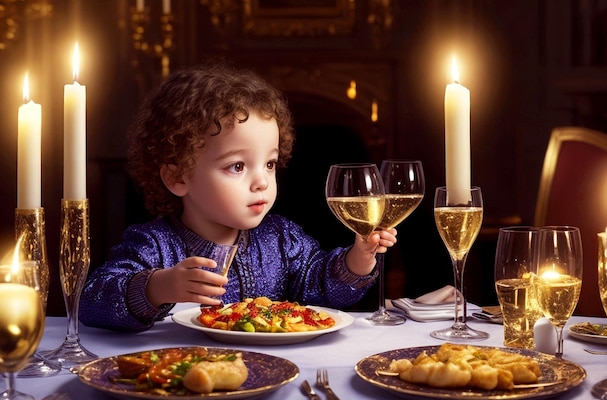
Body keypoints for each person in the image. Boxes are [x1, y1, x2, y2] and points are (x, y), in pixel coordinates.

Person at [79, 62, 397, 332]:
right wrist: (158, 287)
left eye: (269, 163)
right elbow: (93, 302)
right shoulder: (154, 244)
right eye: (237, 166)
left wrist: (357, 260)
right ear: (178, 177)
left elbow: (321, 286)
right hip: (190, 378)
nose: (261, 182)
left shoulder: (282, 238)